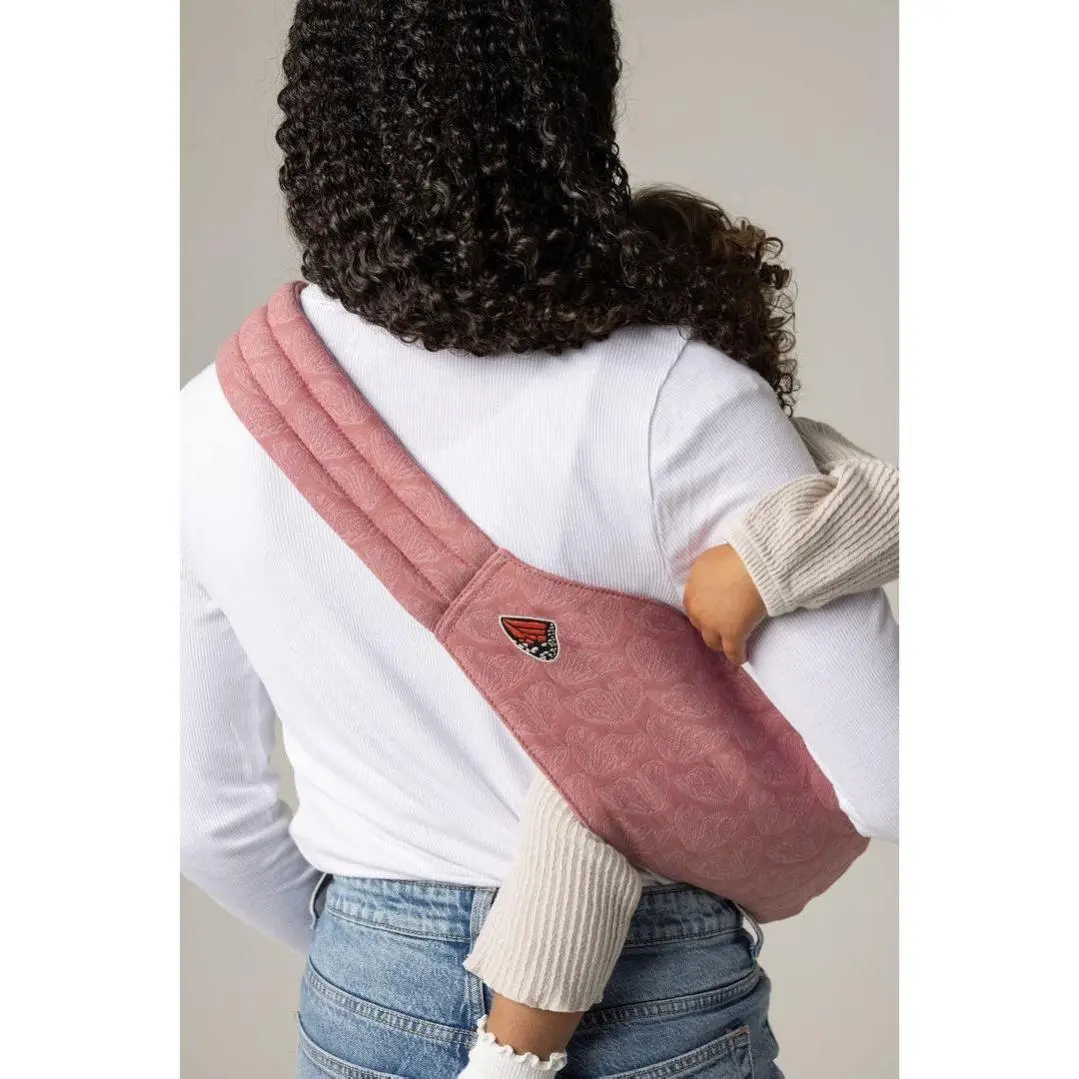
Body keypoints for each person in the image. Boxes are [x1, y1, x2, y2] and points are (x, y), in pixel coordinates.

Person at [180, 3, 898, 1076]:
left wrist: (378, 950)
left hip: (364, 988)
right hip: (654, 991)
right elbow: (887, 775)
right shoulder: (678, 397)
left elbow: (205, 820)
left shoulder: (206, 424)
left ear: (318, 113)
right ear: (569, 100)